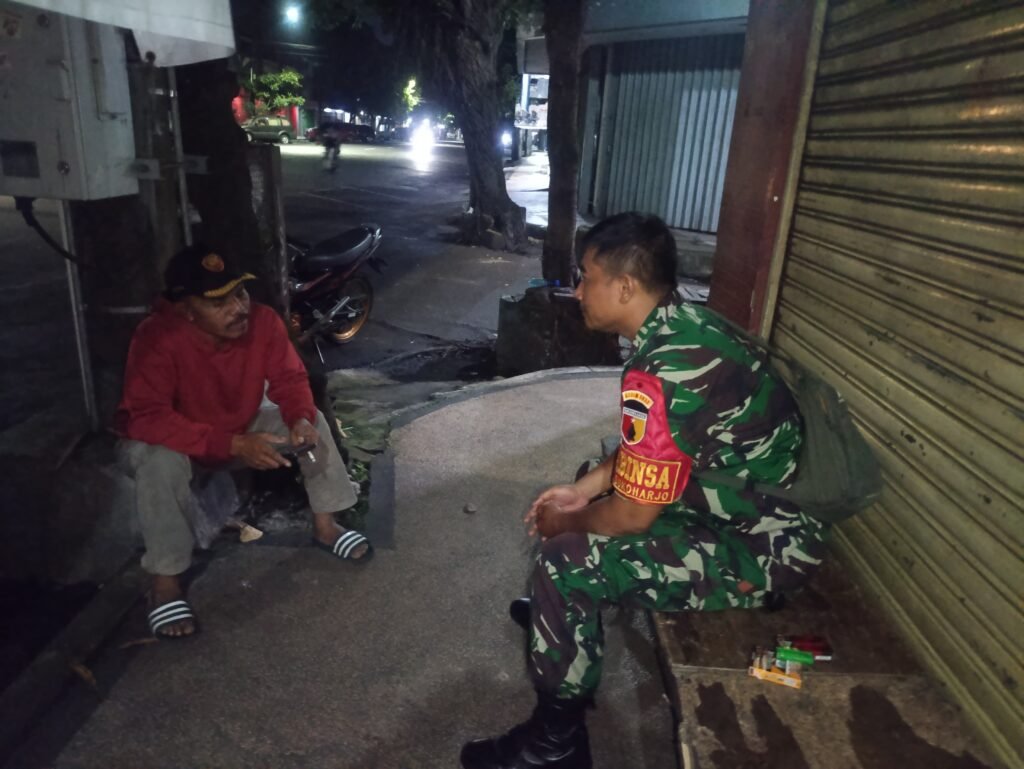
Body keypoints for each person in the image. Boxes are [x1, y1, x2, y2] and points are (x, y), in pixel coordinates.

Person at [460, 213, 828, 769]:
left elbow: (632, 516)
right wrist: (582, 488)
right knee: (586, 500)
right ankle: (562, 623)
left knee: (567, 560)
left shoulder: (664, 369)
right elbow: (649, 448)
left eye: (586, 277)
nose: (577, 291)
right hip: (741, 507)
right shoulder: (687, 325)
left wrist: (565, 521)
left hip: (763, 548)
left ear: (625, 287)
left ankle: (555, 744)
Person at [115, 244, 372, 640]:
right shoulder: (157, 337)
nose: (238, 308)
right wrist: (234, 445)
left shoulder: (263, 322)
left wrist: (299, 418)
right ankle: (165, 583)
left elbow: (289, 380)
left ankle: (326, 525)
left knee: (312, 422)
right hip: (176, 440)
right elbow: (147, 418)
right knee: (157, 461)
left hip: (239, 427)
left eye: (240, 293)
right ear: (186, 309)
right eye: (219, 302)